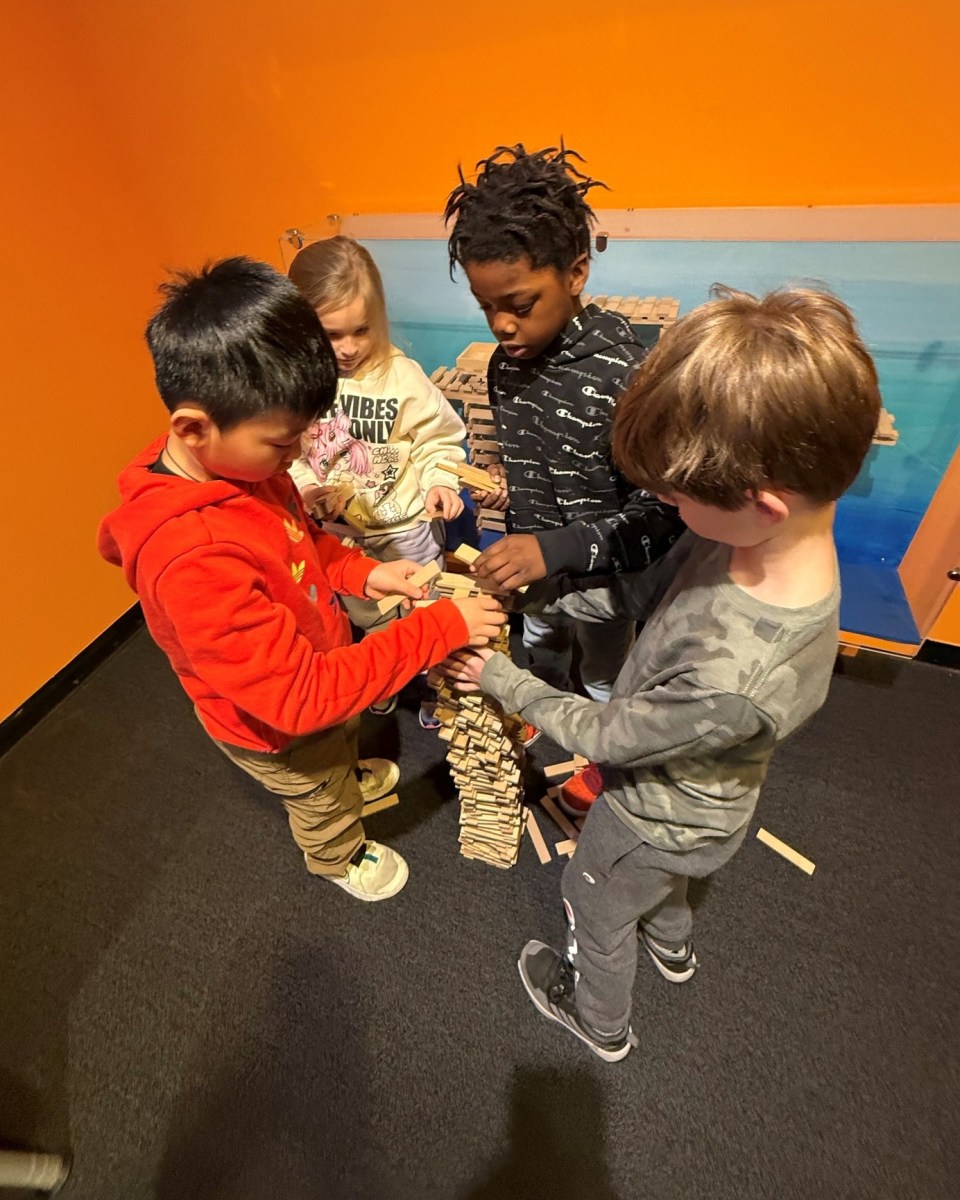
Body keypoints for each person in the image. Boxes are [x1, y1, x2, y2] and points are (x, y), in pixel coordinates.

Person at [438, 285, 882, 1058]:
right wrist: (557, 591)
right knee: (663, 887)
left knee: (595, 896)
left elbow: (607, 734)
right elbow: (647, 590)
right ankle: (673, 949)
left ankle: (599, 1021)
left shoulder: (736, 676)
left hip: (653, 819)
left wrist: (501, 678)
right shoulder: (748, 542)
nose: (666, 505)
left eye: (676, 494)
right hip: (691, 818)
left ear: (760, 502)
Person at [98, 257, 505, 902]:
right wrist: (438, 628)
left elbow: (300, 543)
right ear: (192, 428)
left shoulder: (241, 467)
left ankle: (341, 773)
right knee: (319, 793)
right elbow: (301, 700)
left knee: (337, 742)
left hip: (319, 670)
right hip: (278, 727)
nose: (294, 460)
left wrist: (367, 575)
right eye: (283, 444)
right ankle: (338, 855)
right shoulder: (194, 559)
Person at [443, 143, 683, 709]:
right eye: (486, 307)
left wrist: (557, 548)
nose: (501, 325)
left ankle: (597, 755)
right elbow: (536, 461)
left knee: (604, 678)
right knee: (539, 646)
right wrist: (506, 481)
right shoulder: (507, 366)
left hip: (603, 586)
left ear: (576, 273)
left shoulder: (632, 378)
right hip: (533, 577)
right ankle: (540, 714)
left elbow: (664, 513)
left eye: (521, 304)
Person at [287, 236, 468, 728]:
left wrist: (440, 482)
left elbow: (439, 439)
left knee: (424, 612)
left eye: (361, 331)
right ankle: (379, 679)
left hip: (406, 528)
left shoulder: (403, 377)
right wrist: (306, 489)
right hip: (342, 538)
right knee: (367, 616)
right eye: (332, 335)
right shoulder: (300, 383)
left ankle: (440, 685)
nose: (347, 349)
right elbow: (291, 451)